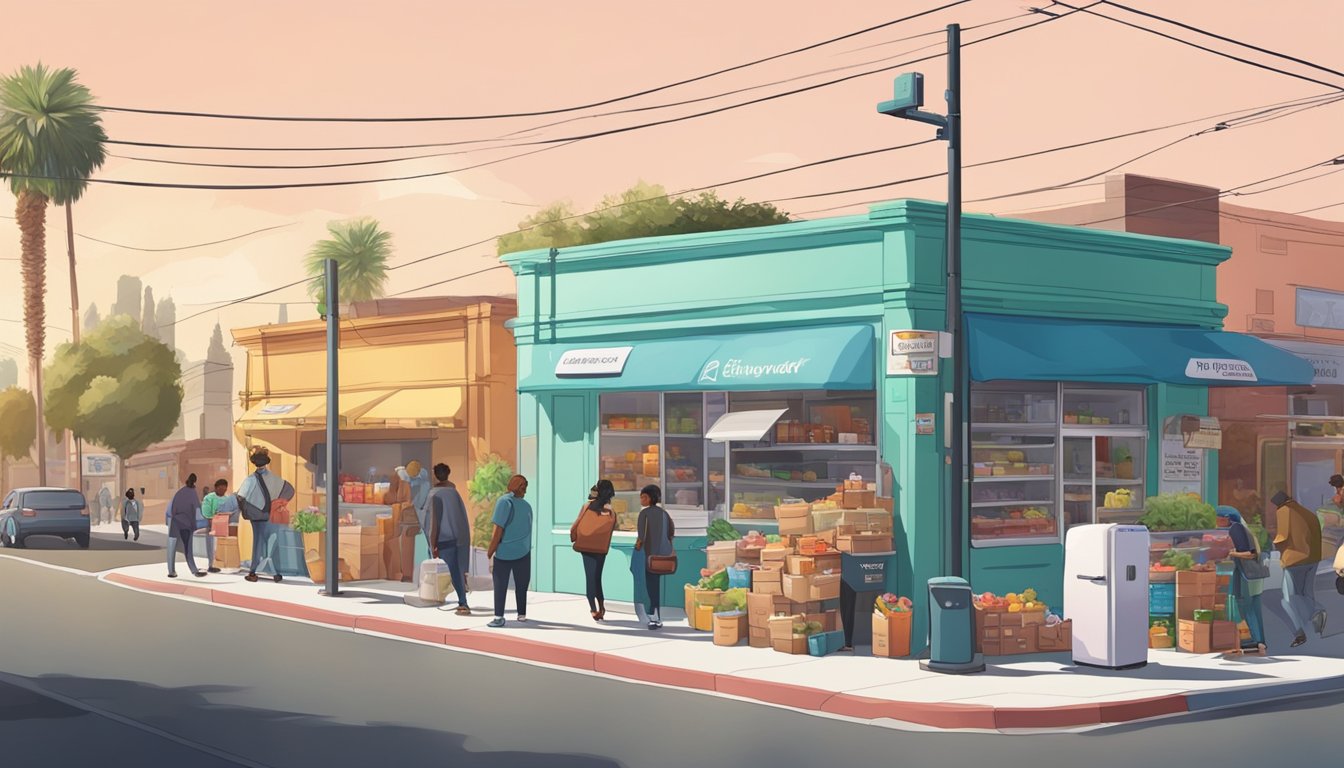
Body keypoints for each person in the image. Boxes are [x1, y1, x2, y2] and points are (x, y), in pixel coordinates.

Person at [1272, 490, 1325, 647]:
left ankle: (1299, 633)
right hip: (1313, 559)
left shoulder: (1284, 510)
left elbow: (1282, 536)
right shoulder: (1307, 512)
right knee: (1307, 593)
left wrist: (1273, 546)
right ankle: (1316, 612)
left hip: (1294, 560)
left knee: (1288, 599)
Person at [237, 448, 295, 584]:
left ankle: (253, 571)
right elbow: (290, 490)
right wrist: (280, 504)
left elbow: (241, 496)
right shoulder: (275, 478)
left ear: (254, 463)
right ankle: (275, 572)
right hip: (273, 516)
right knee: (272, 542)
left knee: (258, 542)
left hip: (258, 517)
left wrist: (247, 510)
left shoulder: (250, 480)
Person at [1218, 506, 1267, 657]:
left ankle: (1256, 641)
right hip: (1248, 575)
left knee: (1247, 607)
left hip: (1247, 575)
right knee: (1251, 607)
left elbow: (1250, 554)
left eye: (1218, 518)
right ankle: (1259, 642)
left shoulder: (1236, 528)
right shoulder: (1240, 528)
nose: (1217, 521)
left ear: (1227, 518)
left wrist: (1231, 553)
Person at [486, 475, 533, 628]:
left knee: (500, 585)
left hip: (505, 552)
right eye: (523, 486)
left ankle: (499, 616)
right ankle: (522, 614)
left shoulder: (504, 502)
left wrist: (490, 551)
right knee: (521, 584)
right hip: (523, 552)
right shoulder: (526, 506)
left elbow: (498, 530)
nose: (524, 490)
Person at [428, 463, 472, 615]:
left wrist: (432, 543)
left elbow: (434, 521)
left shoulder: (434, 494)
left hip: (445, 538)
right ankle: (462, 598)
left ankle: (463, 602)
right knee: (458, 570)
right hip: (460, 536)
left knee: (451, 571)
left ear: (435, 475)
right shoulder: (454, 493)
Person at [572, 480, 617, 622]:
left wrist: (573, 536)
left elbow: (577, 522)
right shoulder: (610, 511)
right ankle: (601, 607)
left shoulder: (587, 506)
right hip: (600, 548)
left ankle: (593, 609)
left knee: (590, 577)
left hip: (586, 545)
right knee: (597, 577)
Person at [635, 484, 674, 630]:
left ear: (651, 498)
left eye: (644, 497)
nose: (641, 499)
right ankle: (657, 616)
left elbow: (641, 537)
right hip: (662, 555)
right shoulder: (664, 513)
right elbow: (671, 532)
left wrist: (638, 548)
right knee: (656, 586)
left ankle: (653, 617)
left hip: (648, 555)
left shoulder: (643, 514)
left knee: (649, 587)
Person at [167, 474, 206, 578]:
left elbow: (172, 510)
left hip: (175, 522)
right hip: (187, 523)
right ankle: (193, 570)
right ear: (195, 482)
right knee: (188, 548)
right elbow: (198, 510)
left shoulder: (179, 493)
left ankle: (171, 571)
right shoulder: (193, 493)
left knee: (171, 547)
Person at [200, 479, 238, 574]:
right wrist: (211, 520)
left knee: (219, 545)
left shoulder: (227, 499)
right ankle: (211, 565)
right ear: (216, 488)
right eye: (220, 488)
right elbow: (205, 511)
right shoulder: (209, 498)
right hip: (211, 525)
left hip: (224, 525)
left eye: (224, 489)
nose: (222, 491)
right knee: (211, 545)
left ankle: (220, 563)